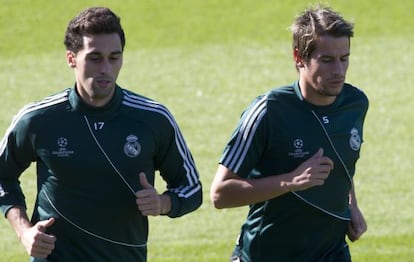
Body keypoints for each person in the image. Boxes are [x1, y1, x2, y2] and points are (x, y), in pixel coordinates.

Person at [0, 7, 202, 261]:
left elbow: (191, 188)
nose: (106, 68)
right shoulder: (39, 119)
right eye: (95, 58)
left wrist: (163, 203)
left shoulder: (153, 119)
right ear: (71, 58)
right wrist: (24, 231)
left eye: (114, 57)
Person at [210, 5, 368, 262]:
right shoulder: (268, 111)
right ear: (299, 57)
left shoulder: (355, 104)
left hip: (331, 254)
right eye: (326, 60)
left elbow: (342, 159)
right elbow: (220, 194)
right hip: (266, 254)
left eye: (344, 58)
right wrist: (291, 181)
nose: (338, 71)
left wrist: (352, 204)